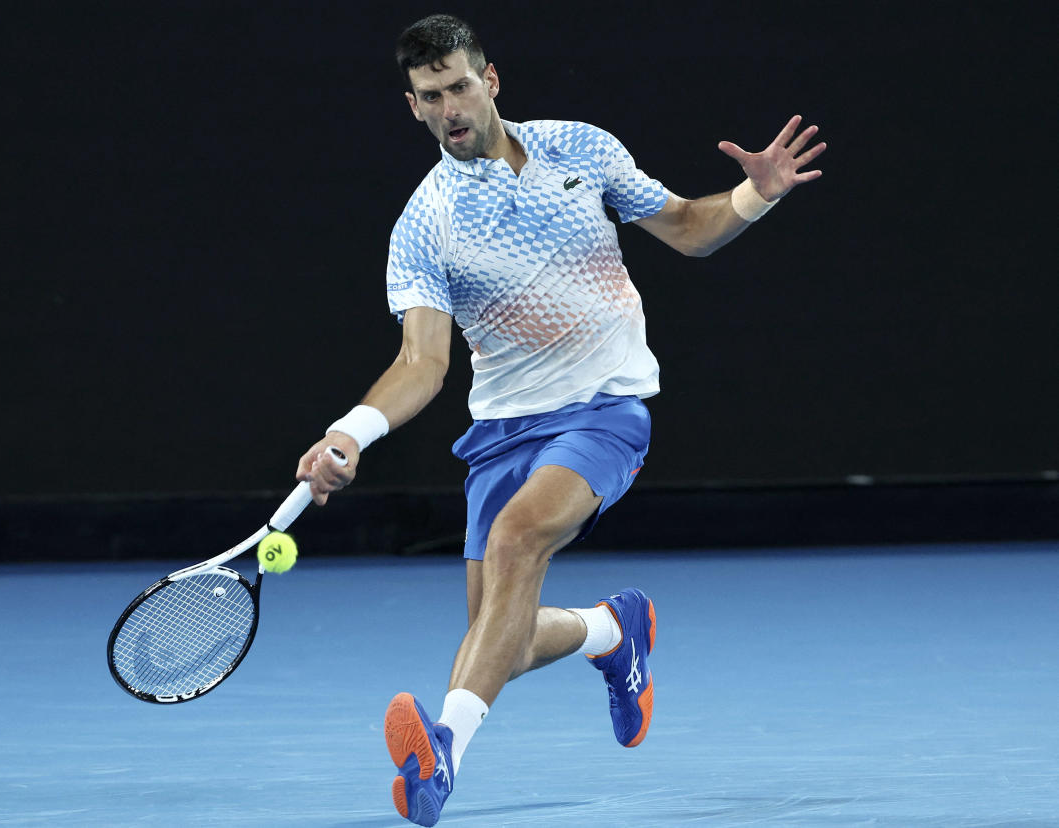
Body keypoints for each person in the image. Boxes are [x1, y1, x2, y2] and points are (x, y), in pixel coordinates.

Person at [295, 13, 825, 826]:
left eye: (461, 87)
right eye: (431, 97)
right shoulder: (423, 226)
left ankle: (440, 756)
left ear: (491, 80)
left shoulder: (582, 148)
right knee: (496, 636)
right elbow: (422, 363)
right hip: (505, 428)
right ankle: (612, 631)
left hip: (605, 409)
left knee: (514, 541)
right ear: (414, 107)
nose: (451, 109)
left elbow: (686, 228)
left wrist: (758, 193)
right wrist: (351, 431)